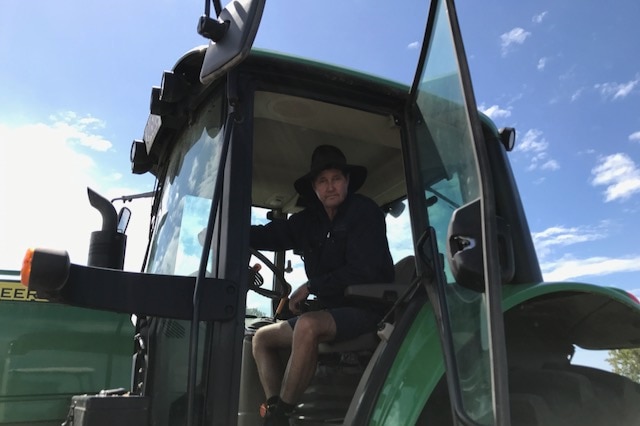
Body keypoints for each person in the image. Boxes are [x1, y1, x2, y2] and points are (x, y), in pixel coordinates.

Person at [250, 144, 395, 425]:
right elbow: (272, 236)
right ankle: (275, 406)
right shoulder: (308, 221)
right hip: (330, 311)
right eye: (322, 181)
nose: (330, 187)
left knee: (307, 325)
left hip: (366, 309)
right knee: (262, 338)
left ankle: (281, 417)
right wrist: (231, 231)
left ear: (347, 182)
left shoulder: (365, 213)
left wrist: (311, 285)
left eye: (336, 179)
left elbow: (362, 271)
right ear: (314, 187)